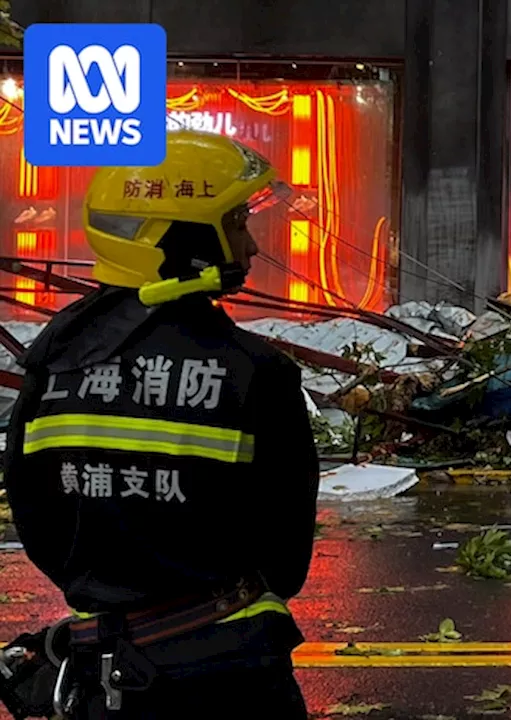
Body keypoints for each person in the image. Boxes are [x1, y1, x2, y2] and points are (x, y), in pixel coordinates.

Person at [1, 130, 319, 718]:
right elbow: (286, 560)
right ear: (181, 237)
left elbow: (38, 524)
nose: (249, 247)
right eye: (235, 225)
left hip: (109, 679)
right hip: (234, 677)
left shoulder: (49, 365)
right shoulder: (257, 373)